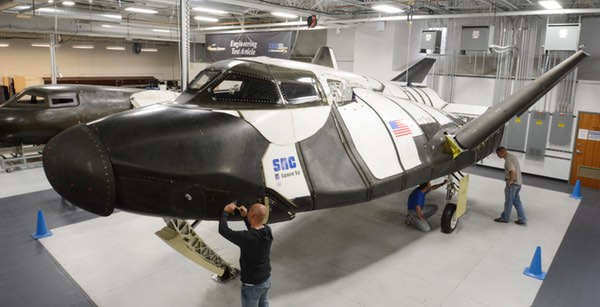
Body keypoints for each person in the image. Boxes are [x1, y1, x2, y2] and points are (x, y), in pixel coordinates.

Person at [219, 202, 273, 307]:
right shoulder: (267, 230)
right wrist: (245, 217)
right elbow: (254, 232)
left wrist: (225, 211)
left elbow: (223, 230)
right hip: (266, 279)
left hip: (252, 285)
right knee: (264, 304)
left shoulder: (247, 238)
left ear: (252, 215)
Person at [494, 146, 527, 225]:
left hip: (513, 185)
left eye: (498, 154)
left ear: (502, 152)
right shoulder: (513, 157)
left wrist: (511, 181)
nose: (498, 156)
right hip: (519, 183)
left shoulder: (508, 160)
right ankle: (522, 219)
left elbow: (512, 171)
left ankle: (505, 218)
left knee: (509, 202)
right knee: (517, 202)